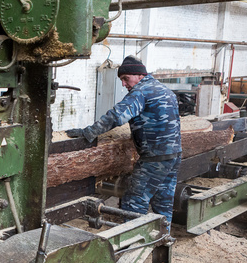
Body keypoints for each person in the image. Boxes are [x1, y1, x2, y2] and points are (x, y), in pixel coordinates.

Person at [65, 55, 182, 232]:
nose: (124, 84)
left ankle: (131, 246)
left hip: (154, 158)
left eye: (125, 79)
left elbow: (117, 116)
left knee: (133, 202)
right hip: (173, 156)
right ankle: (163, 239)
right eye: (121, 80)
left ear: (139, 75)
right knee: (163, 202)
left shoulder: (141, 91)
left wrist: (88, 132)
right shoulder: (165, 90)